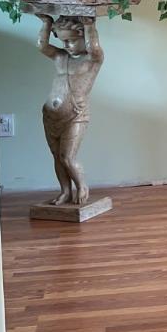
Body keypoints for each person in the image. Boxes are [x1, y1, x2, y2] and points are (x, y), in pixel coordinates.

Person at [38, 14, 104, 205]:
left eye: (72, 40)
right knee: (57, 157)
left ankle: (82, 186)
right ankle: (65, 191)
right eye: (63, 40)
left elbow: (95, 47)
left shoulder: (92, 60)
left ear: (83, 36)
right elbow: (42, 46)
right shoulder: (60, 57)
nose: (67, 45)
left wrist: (90, 26)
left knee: (67, 156)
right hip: (50, 115)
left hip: (75, 114)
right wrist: (46, 23)